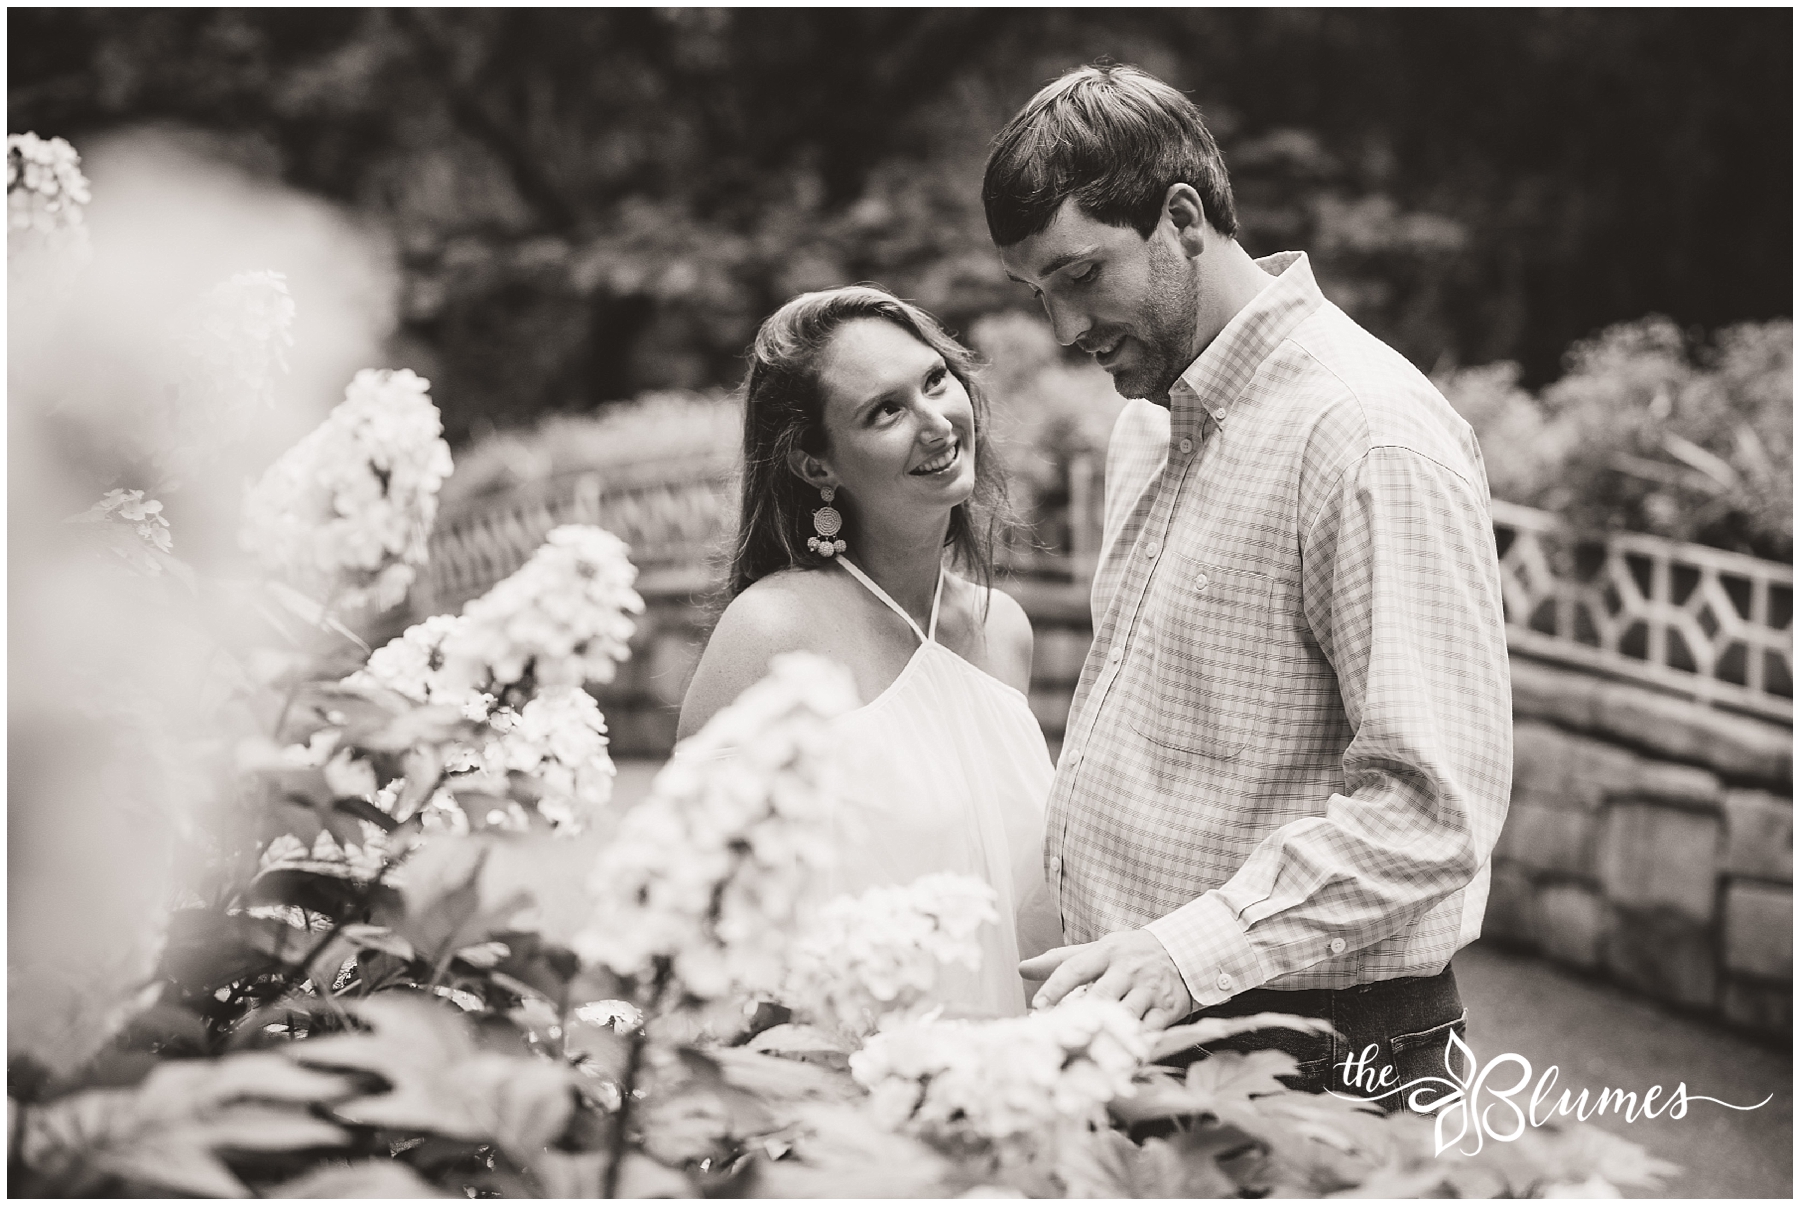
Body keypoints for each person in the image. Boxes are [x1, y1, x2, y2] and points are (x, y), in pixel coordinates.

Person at [981, 63, 1512, 1103]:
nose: (1063, 330)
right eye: (1037, 292)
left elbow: (1433, 809)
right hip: (1146, 1039)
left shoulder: (1366, 436)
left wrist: (1188, 950)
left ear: (1182, 217)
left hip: (1324, 1061)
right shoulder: (1145, 425)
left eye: (1080, 276)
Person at [678, 284, 1062, 1018]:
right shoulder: (771, 635)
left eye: (935, 382)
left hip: (1008, 1087)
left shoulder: (1002, 629)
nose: (936, 423)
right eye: (884, 411)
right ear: (816, 466)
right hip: (843, 1094)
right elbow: (696, 923)